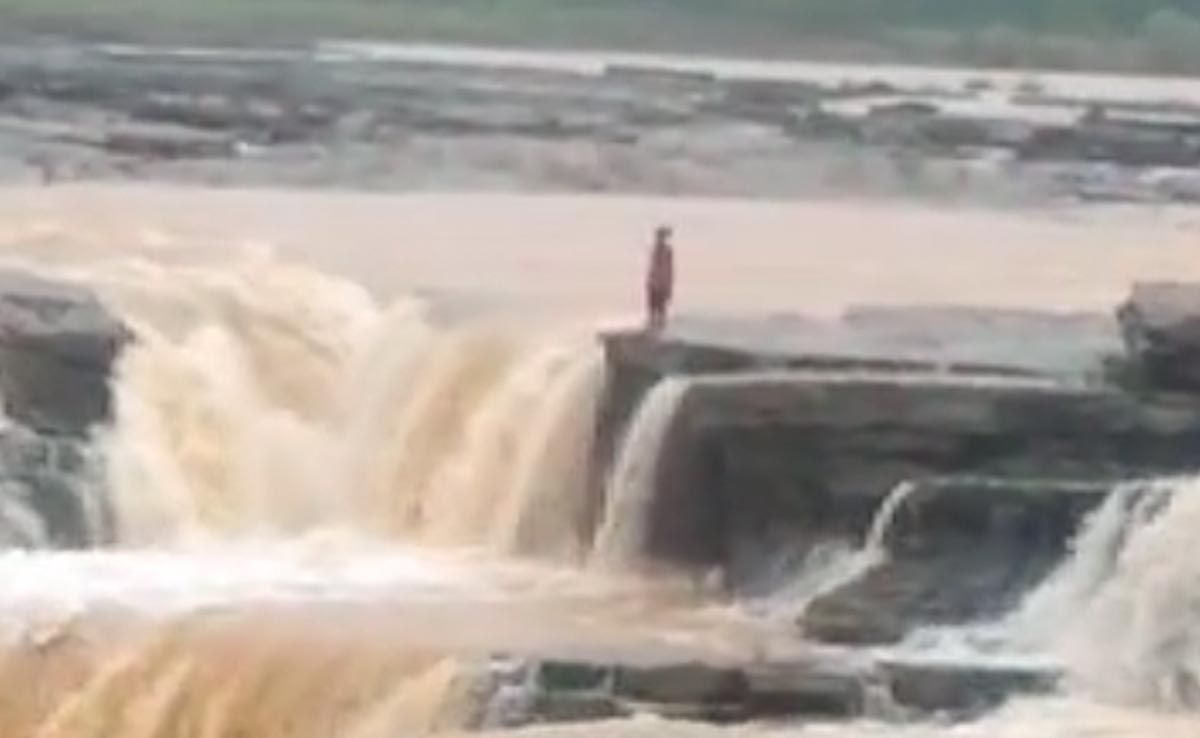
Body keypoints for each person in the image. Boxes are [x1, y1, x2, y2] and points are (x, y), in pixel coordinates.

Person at [645, 226, 675, 332]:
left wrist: (669, 288)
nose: (659, 239)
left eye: (661, 237)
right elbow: (652, 268)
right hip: (653, 284)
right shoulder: (655, 250)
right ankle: (652, 330)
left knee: (661, 312)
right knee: (652, 311)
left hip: (661, 285)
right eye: (658, 237)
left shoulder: (667, 252)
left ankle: (660, 331)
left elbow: (669, 270)